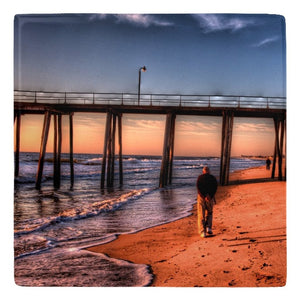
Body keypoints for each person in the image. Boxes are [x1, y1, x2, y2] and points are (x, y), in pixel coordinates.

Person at [196, 166, 218, 238]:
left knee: (201, 214)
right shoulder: (213, 178)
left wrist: (204, 196)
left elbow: (199, 188)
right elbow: (215, 187)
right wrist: (210, 196)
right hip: (209, 197)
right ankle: (208, 227)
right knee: (209, 212)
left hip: (202, 197)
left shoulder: (200, 178)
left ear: (203, 171)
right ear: (209, 171)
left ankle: (203, 231)